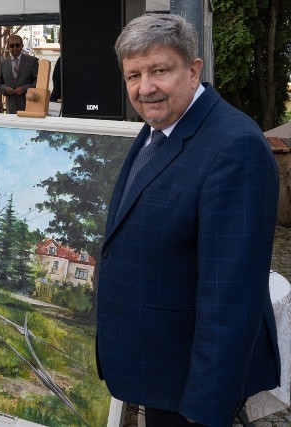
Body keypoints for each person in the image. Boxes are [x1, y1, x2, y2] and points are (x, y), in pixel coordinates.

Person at [96, 14, 280, 427]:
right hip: (159, 370)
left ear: (194, 70)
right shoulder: (157, 125)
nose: (145, 88)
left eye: (160, 70)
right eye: (134, 75)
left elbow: (231, 298)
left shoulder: (236, 148)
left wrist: (206, 409)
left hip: (190, 389)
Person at [0, 34, 39, 114]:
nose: (14, 48)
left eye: (17, 45)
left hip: (29, 108)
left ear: (22, 46)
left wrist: (24, 89)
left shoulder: (32, 61)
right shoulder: (3, 63)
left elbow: (38, 82)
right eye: (12, 45)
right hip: (10, 109)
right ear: (8, 47)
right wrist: (5, 89)